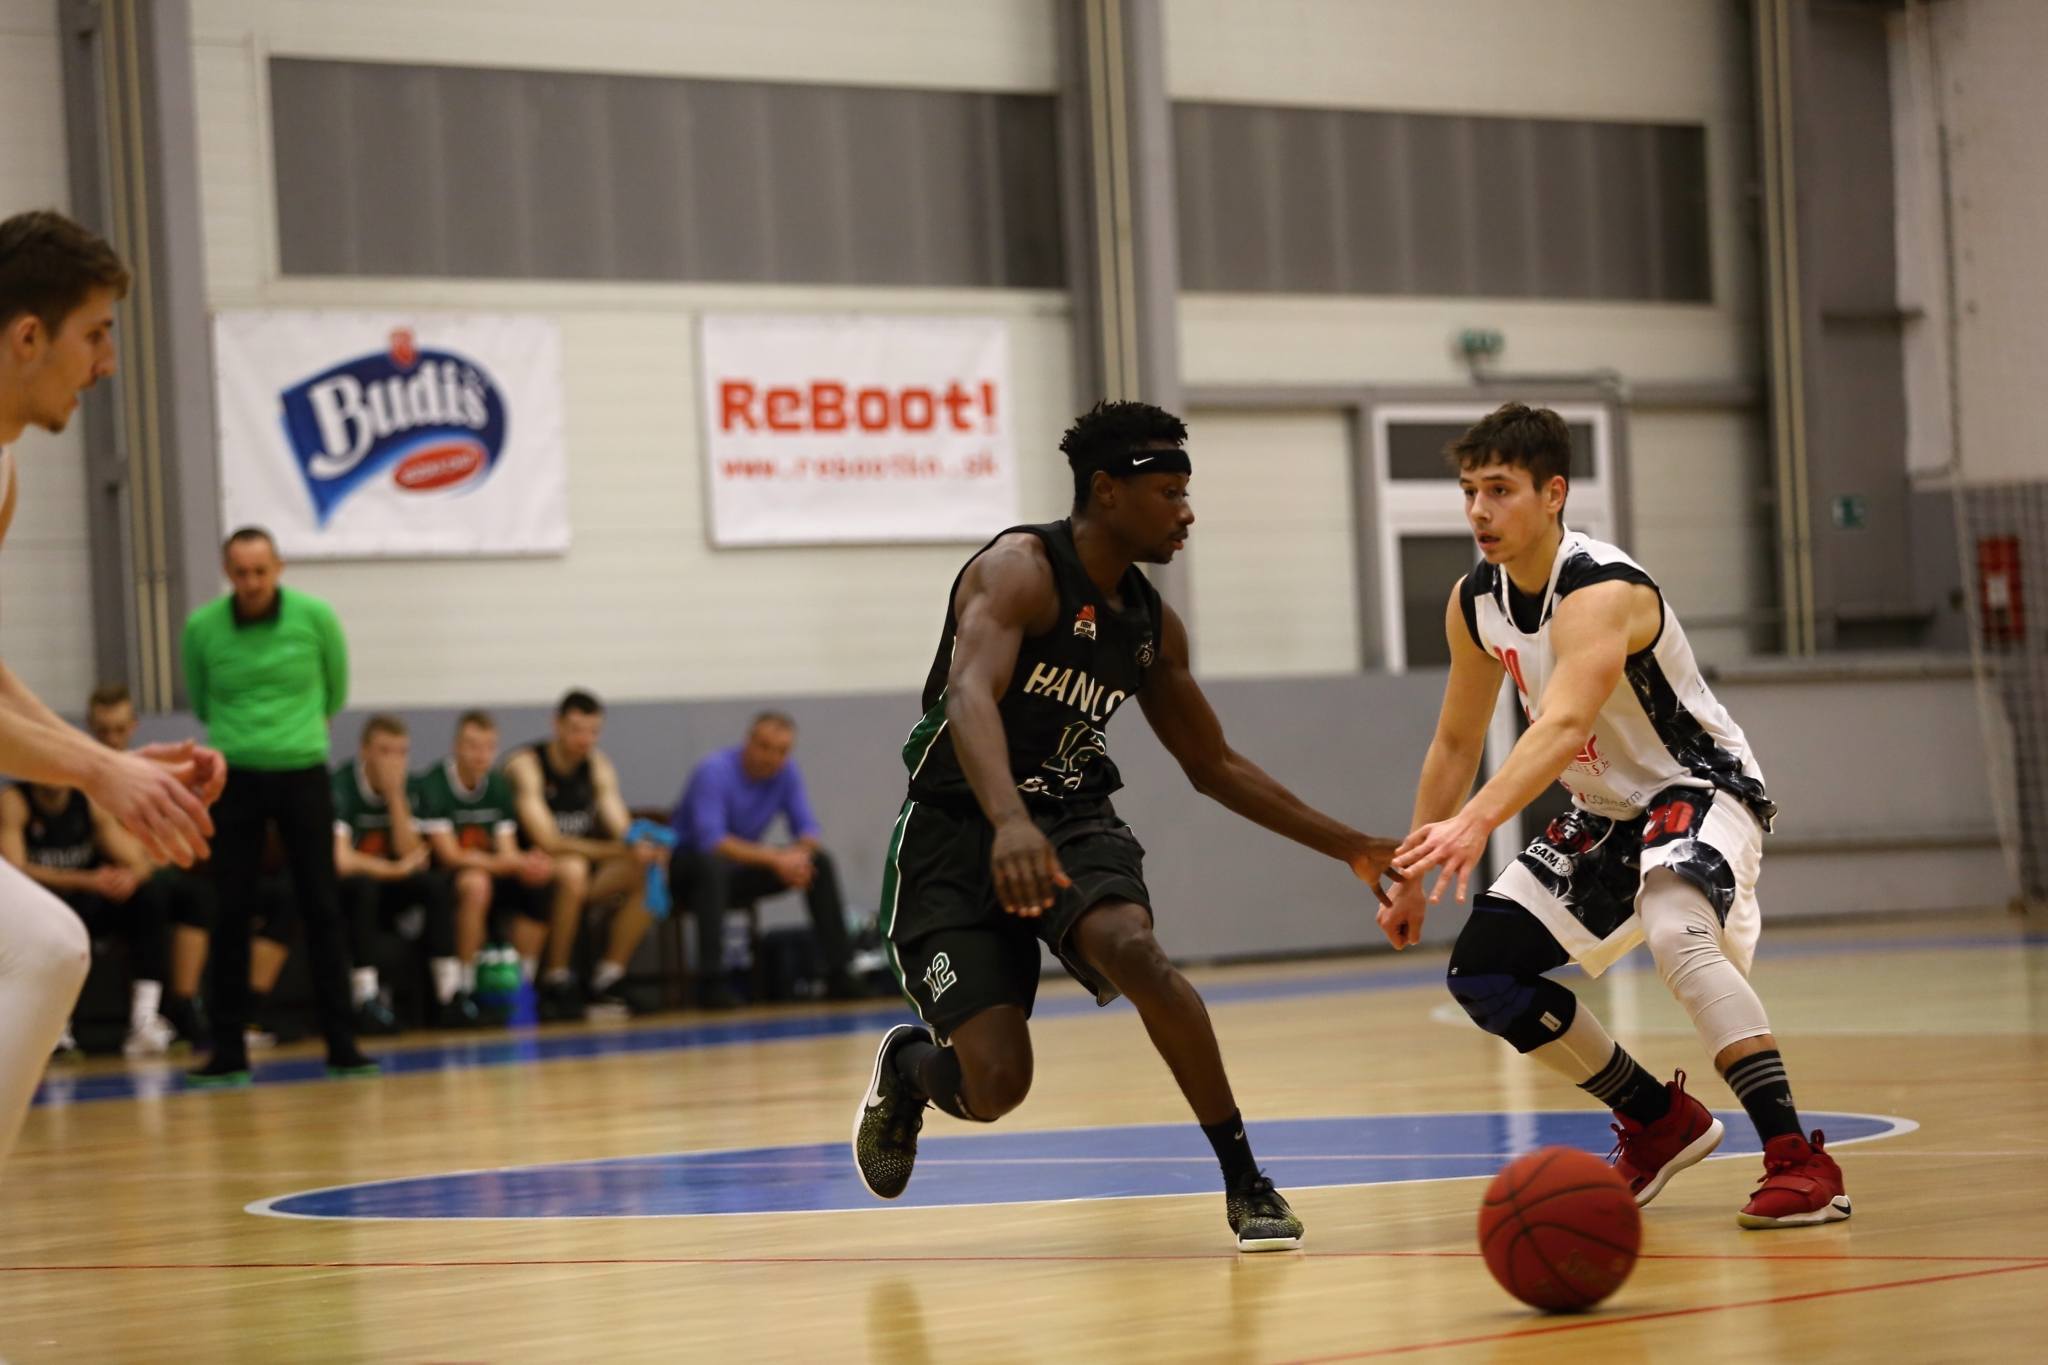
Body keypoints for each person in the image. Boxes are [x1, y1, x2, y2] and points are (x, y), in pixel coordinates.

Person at [850, 400, 1404, 1251]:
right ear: (1106, 489)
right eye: (1170, 493)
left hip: (1071, 819)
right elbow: (968, 694)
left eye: (1187, 492)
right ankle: (908, 1069)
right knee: (996, 1084)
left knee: (1135, 950)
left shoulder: (1150, 625)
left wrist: (1352, 846)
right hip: (956, 830)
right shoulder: (1019, 570)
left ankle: (1245, 1179)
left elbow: (1213, 764)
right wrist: (1008, 821)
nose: (1187, 513)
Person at [1383, 402, 1850, 1230]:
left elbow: (1564, 723)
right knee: (1483, 972)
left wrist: (1476, 823)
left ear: (1553, 493)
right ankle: (1658, 1120)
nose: (1480, 510)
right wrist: (1413, 867)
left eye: (1500, 489)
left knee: (1675, 926)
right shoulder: (1475, 599)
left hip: (1696, 784)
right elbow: (1455, 741)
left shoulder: (1601, 589)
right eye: (1469, 491)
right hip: (1605, 809)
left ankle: (1799, 1159)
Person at [0, 208, 222, 1171]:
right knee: (44, 944)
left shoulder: (2, 473)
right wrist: (98, 771)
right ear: (28, 336)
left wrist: (102, 761)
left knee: (48, 947)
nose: (107, 363)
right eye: (95, 334)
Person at [182, 525, 375, 1084]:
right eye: (241, 573)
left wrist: (295, 732)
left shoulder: (316, 618)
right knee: (230, 908)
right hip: (235, 775)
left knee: (321, 905)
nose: (251, 583)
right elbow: (201, 698)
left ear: (279, 569)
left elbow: (336, 691)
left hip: (302, 769)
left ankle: (342, 1045)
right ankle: (227, 1051)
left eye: (260, 572)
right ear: (228, 573)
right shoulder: (202, 627)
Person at [668, 711, 862, 1007]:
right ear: (748, 741)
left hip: (738, 870)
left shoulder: (787, 774)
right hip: (685, 871)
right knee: (712, 866)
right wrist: (776, 859)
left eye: (781, 751)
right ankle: (712, 981)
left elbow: (808, 829)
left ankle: (840, 972)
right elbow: (713, 842)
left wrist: (797, 859)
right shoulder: (713, 771)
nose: (771, 757)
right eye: (764, 746)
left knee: (819, 863)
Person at [505, 690, 664, 1020]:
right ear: (557, 725)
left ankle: (609, 977)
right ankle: (556, 978)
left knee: (649, 869)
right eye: (576, 729)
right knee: (573, 869)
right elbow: (548, 841)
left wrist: (641, 845)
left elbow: (620, 824)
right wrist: (613, 850)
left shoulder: (597, 765)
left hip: (580, 870)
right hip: (529, 876)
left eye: (593, 731)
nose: (584, 739)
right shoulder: (526, 765)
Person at [0, 778, 179, 1056]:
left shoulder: (88, 802)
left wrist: (129, 877)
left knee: (148, 898)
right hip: (39, 907)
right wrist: (86, 880)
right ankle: (54, 1029)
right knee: (43, 917)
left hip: (84, 902)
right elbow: (16, 870)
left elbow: (137, 860)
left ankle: (144, 1019)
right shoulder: (15, 802)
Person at [85, 683, 218, 1049]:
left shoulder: (148, 774)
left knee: (197, 894)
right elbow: (117, 845)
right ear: (91, 728)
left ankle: (184, 1004)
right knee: (152, 894)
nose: (112, 739)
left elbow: (174, 843)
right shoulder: (86, 777)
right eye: (103, 731)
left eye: (119, 729)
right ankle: (143, 1018)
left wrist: (147, 861)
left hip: (143, 876)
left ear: (133, 727)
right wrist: (145, 861)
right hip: (104, 885)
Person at [332, 714, 469, 1031]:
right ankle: (364, 998)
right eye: (385, 751)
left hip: (389, 884)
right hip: (349, 889)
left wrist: (395, 796)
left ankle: (447, 995)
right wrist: (392, 870)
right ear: (364, 751)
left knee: (435, 885)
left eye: (401, 752)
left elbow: (413, 856)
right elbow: (341, 860)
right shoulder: (342, 784)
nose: (394, 761)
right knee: (364, 886)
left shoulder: (413, 788)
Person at [416, 709, 553, 1024]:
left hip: (488, 870)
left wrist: (527, 863)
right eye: (473, 746)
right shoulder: (434, 784)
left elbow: (507, 850)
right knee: (476, 883)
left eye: (489, 747)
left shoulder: (497, 786)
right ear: (456, 746)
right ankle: (465, 990)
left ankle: (521, 986)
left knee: (537, 880)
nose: (481, 755)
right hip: (444, 880)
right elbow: (449, 855)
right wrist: (505, 862)